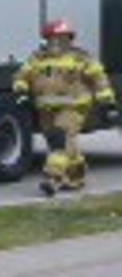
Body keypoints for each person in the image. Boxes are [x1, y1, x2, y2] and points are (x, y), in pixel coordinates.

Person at [14, 19, 116, 196]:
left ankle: (52, 179)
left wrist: (107, 100)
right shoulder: (37, 58)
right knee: (65, 144)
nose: (58, 42)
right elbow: (21, 76)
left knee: (58, 141)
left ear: (70, 39)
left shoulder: (80, 57)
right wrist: (21, 92)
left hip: (73, 108)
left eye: (63, 38)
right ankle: (76, 175)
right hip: (45, 110)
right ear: (46, 39)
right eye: (53, 38)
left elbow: (99, 78)